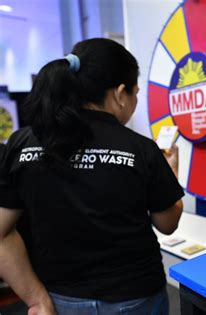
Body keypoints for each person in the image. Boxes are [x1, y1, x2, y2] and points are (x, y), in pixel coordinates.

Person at [0, 38, 184, 315]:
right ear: (121, 93)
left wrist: (36, 299)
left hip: (58, 300)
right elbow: (167, 223)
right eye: (135, 93)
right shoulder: (140, 148)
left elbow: (1, 231)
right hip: (135, 298)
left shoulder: (21, 143)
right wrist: (170, 174)